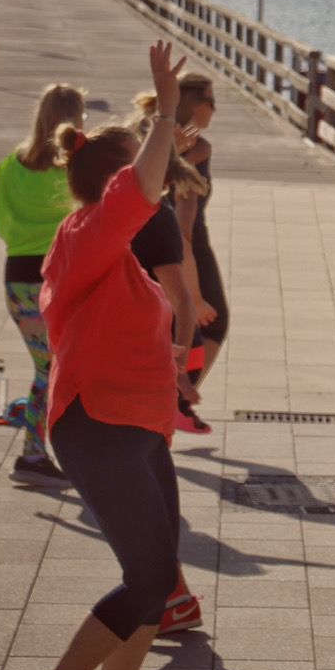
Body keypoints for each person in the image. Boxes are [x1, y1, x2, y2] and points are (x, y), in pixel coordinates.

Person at [1, 41, 198, 670]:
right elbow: (137, 189)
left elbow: (123, 326)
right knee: (146, 577)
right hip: (101, 426)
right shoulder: (87, 233)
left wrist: (173, 370)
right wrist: (166, 109)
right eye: (138, 164)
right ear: (114, 182)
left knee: (158, 574)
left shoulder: (110, 252)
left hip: (138, 426)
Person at [0, 82, 85, 481]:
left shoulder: (13, 164)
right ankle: (33, 455)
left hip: (18, 281)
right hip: (58, 281)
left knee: (50, 367)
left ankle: (47, 450)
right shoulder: (76, 165)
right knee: (55, 369)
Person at [125, 114, 208, 632]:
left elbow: (177, 292)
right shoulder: (120, 215)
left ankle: (167, 595)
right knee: (141, 491)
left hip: (137, 369)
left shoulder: (149, 219)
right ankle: (170, 594)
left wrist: (178, 358)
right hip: (121, 365)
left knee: (143, 489)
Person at [138, 73, 227, 432]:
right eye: (210, 100)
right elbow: (185, 231)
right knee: (212, 323)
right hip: (183, 250)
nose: (215, 108)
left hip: (150, 244)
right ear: (193, 104)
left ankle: (171, 402)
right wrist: (195, 293)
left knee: (166, 328)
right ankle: (175, 402)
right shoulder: (197, 150)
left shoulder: (157, 141)